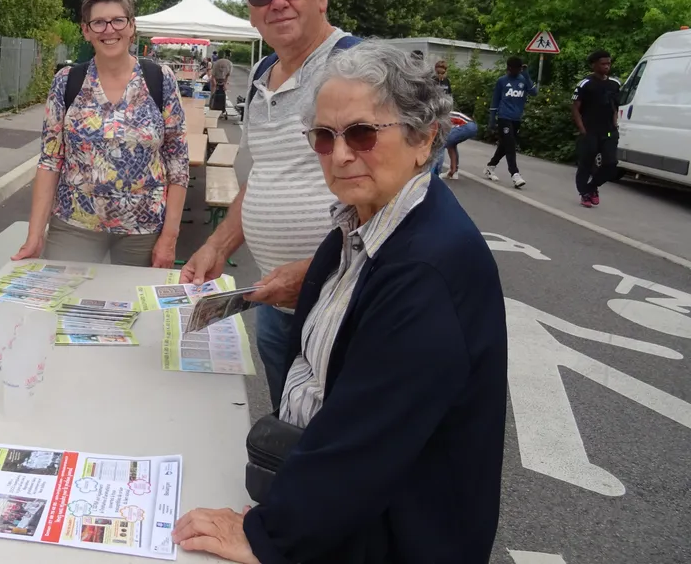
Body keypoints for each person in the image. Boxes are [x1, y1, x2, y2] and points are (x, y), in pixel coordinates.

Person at [173, 43, 507, 564]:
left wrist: (269, 534)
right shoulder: (361, 223)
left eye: (362, 133)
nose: (342, 153)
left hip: (400, 538)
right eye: (324, 138)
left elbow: (367, 439)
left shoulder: (424, 267)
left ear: (423, 139)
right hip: (351, 514)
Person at [180, 0, 359, 405]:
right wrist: (217, 243)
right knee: (288, 424)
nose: (277, 1)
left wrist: (317, 270)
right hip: (276, 303)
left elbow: (399, 207)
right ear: (252, 10)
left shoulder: (357, 70)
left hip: (343, 309)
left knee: (340, 445)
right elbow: (265, 177)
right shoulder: (262, 74)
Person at [13, 0, 189, 267]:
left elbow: (177, 163)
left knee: (133, 307)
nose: (109, 30)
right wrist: (35, 234)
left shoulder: (160, 79)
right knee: (63, 305)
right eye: (98, 22)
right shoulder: (67, 81)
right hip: (75, 225)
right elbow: (50, 161)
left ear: (131, 26)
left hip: (142, 229)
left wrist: (169, 238)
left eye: (118, 20)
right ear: (86, 30)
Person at [572, 49, 621, 208]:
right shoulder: (586, 84)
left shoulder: (614, 84)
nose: (607, 66)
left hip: (608, 131)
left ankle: (592, 187)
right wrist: (582, 129)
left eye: (609, 63)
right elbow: (575, 108)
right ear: (594, 65)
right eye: (603, 64)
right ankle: (584, 193)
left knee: (611, 164)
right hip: (590, 130)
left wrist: (615, 125)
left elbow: (615, 107)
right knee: (586, 163)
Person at [484, 56, 536, 188]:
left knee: (505, 145)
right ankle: (515, 174)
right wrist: (492, 119)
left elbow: (534, 92)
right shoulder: (502, 81)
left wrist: (527, 75)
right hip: (504, 116)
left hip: (516, 118)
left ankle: (490, 166)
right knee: (510, 144)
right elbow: (495, 100)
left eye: (519, 69)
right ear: (508, 68)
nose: (517, 71)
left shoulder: (523, 80)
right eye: (514, 69)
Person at [434, 109, 478, 179]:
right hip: (472, 126)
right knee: (451, 145)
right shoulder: (444, 114)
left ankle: (436, 173)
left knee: (441, 144)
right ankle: (453, 172)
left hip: (467, 125)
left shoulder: (441, 116)